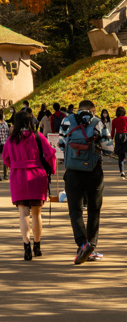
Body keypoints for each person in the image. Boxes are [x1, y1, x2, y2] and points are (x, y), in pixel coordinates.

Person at [58, 99, 112, 264]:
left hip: (73, 172)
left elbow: (61, 145)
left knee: (75, 211)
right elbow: (109, 149)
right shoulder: (99, 123)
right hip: (94, 172)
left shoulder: (66, 121)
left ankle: (82, 244)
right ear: (93, 110)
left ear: (79, 108)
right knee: (94, 211)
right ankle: (91, 247)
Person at [2, 108, 56, 260]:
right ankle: (37, 246)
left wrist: (15, 165)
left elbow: (6, 159)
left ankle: (26, 246)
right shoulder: (38, 136)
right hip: (37, 176)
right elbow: (50, 153)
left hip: (18, 176)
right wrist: (51, 170)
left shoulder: (11, 139)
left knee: (23, 214)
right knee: (36, 214)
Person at [111, 106, 127, 179]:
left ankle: (122, 172)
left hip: (118, 137)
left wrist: (111, 138)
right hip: (126, 136)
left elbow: (112, 131)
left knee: (121, 156)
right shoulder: (126, 119)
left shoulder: (114, 120)